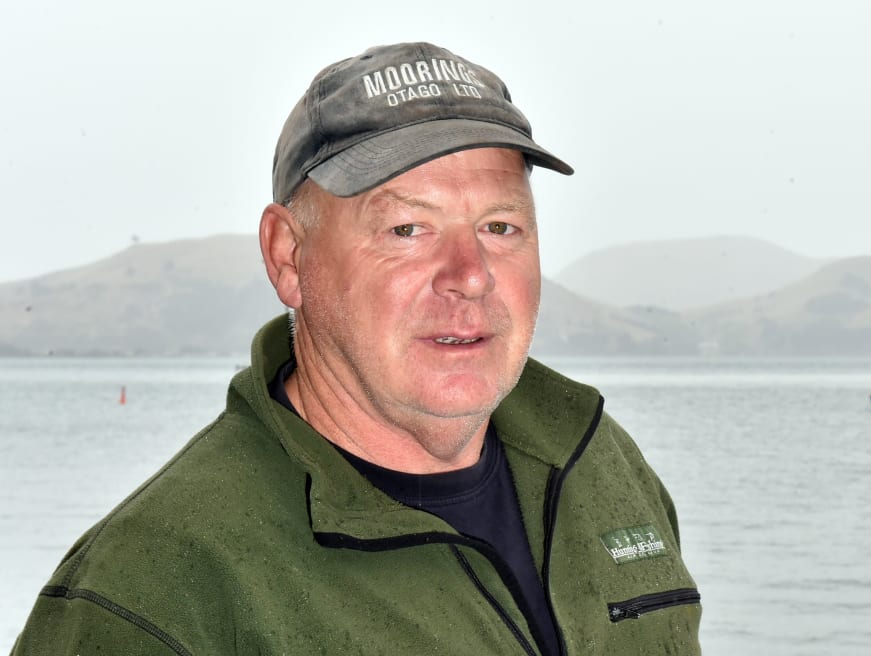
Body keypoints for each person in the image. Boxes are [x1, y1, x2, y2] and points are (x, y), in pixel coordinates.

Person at [12, 42, 701, 655]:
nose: (469, 274)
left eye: (500, 226)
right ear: (289, 256)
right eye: (406, 229)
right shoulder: (154, 584)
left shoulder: (598, 461)